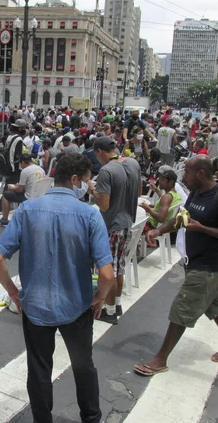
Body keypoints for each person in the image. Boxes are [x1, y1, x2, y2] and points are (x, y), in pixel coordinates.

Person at [0, 153, 114, 423]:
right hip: (78, 305)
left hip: (35, 305)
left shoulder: (27, 209)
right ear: (73, 179)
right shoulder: (90, 215)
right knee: (83, 366)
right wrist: (100, 298)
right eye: (85, 180)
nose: (87, 186)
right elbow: (107, 273)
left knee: (39, 369)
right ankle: (91, 418)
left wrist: (13, 292)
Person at [134, 155, 218, 377]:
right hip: (195, 261)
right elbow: (182, 219)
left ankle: (160, 358)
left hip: (210, 266)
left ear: (201, 174)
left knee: (182, 308)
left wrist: (203, 229)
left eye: (187, 172)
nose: (183, 176)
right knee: (216, 306)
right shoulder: (196, 193)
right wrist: (159, 230)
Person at [89, 136, 141, 323]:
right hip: (128, 223)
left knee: (107, 270)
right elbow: (140, 192)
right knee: (118, 268)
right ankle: (116, 304)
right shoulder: (133, 163)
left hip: (112, 226)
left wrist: (92, 190)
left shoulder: (106, 171)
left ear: (100, 152)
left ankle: (109, 312)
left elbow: (103, 205)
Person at [0, 154, 46, 226]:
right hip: (40, 196)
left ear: (22, 162)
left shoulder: (25, 171)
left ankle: (4, 219)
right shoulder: (41, 169)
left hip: (29, 197)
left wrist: (12, 187)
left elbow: (19, 189)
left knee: (5, 195)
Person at [140, 166, 182, 234]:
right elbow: (164, 205)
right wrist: (156, 190)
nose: (159, 181)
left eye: (162, 179)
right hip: (162, 226)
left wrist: (148, 209)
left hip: (151, 226)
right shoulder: (176, 195)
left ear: (170, 182)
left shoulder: (166, 197)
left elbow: (161, 218)